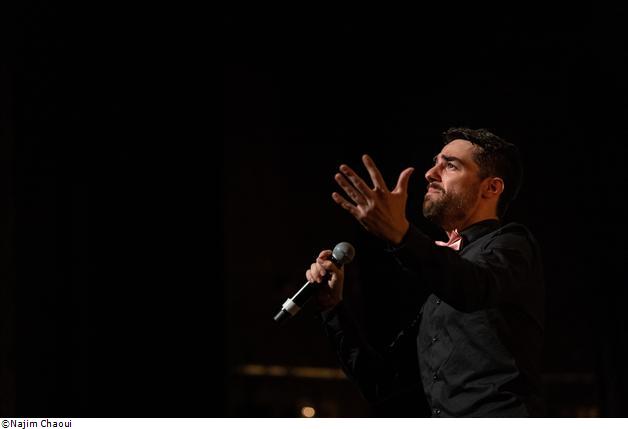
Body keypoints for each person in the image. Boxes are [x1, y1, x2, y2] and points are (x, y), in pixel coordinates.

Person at [305, 128, 545, 417]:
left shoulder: (512, 244)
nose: (431, 173)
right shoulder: (439, 291)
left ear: (491, 188)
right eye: (435, 163)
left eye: (450, 165)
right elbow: (380, 382)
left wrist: (401, 235)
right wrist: (332, 308)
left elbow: (473, 287)